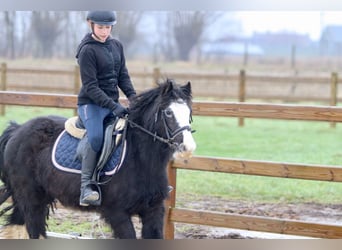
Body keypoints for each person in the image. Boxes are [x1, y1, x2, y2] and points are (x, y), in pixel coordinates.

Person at [75, 11, 136, 206]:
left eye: (108, 27)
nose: (104, 31)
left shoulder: (117, 46)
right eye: (101, 27)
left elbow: (123, 76)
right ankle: (86, 187)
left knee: (133, 131)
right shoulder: (87, 51)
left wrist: (134, 98)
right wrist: (114, 106)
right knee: (96, 137)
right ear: (90, 25)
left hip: (111, 104)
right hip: (90, 104)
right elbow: (91, 87)